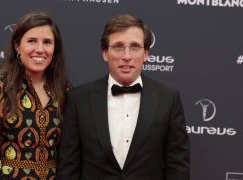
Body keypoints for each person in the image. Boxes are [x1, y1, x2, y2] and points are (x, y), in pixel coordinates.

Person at [57, 14, 190, 180]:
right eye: (118, 47)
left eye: (135, 47)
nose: (127, 56)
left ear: (146, 53)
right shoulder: (79, 99)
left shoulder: (168, 99)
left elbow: (177, 167)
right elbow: (68, 167)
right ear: (105, 53)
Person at [0, 11, 70, 179]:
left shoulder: (64, 90)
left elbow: (69, 155)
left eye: (47, 42)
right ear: (17, 46)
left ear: (55, 48)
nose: (40, 49)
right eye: (32, 41)